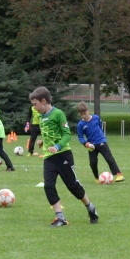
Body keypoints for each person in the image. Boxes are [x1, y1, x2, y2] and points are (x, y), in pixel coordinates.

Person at [30, 86, 99, 227]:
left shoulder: (58, 114)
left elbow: (67, 134)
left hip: (63, 155)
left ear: (44, 101)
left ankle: (90, 207)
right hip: (49, 157)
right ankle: (60, 218)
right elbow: (49, 133)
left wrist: (57, 146)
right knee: (48, 186)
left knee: (73, 186)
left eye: (35, 104)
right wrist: (43, 141)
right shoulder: (40, 116)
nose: (34, 108)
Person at [76, 102, 123, 181]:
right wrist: (86, 143)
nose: (83, 116)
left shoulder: (96, 118)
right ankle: (97, 178)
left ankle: (119, 175)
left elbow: (100, 127)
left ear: (88, 111)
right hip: (91, 146)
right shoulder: (80, 124)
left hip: (101, 142)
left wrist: (102, 137)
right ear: (79, 114)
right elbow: (80, 137)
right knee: (93, 163)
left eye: (85, 113)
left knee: (109, 158)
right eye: (81, 114)